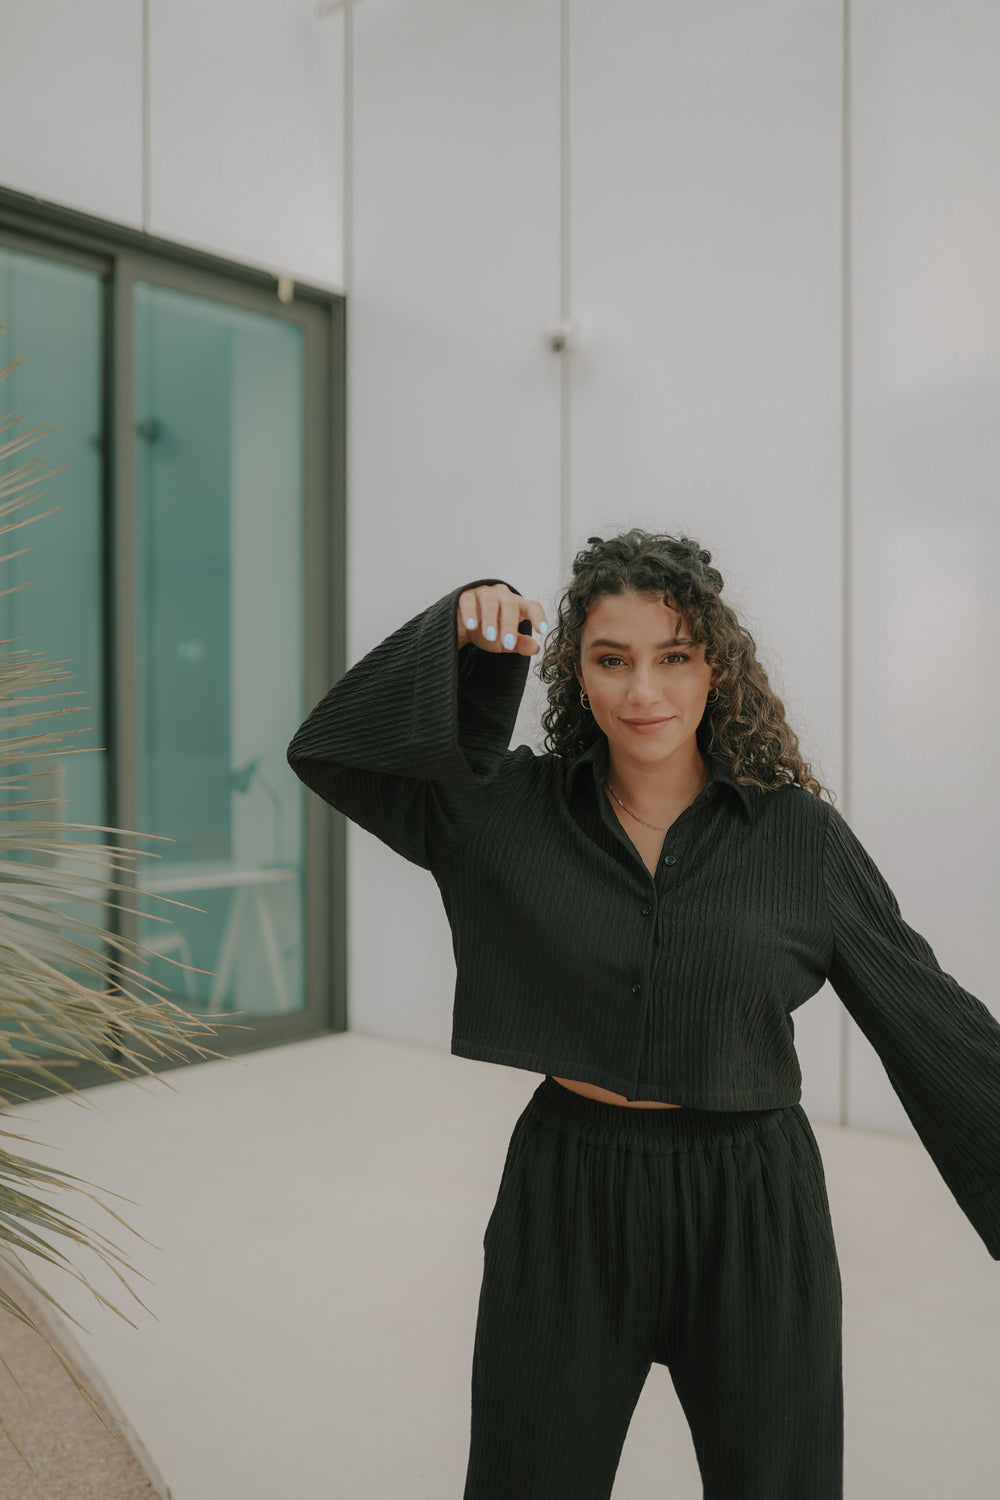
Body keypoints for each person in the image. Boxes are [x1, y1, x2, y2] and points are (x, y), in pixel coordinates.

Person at [286, 529, 1000, 1500]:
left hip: (752, 1207)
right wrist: (463, 646)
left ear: (715, 668)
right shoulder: (505, 811)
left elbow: (930, 1018)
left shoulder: (797, 839)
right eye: (611, 659)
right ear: (575, 670)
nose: (642, 692)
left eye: (673, 657)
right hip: (566, 1201)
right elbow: (333, 750)